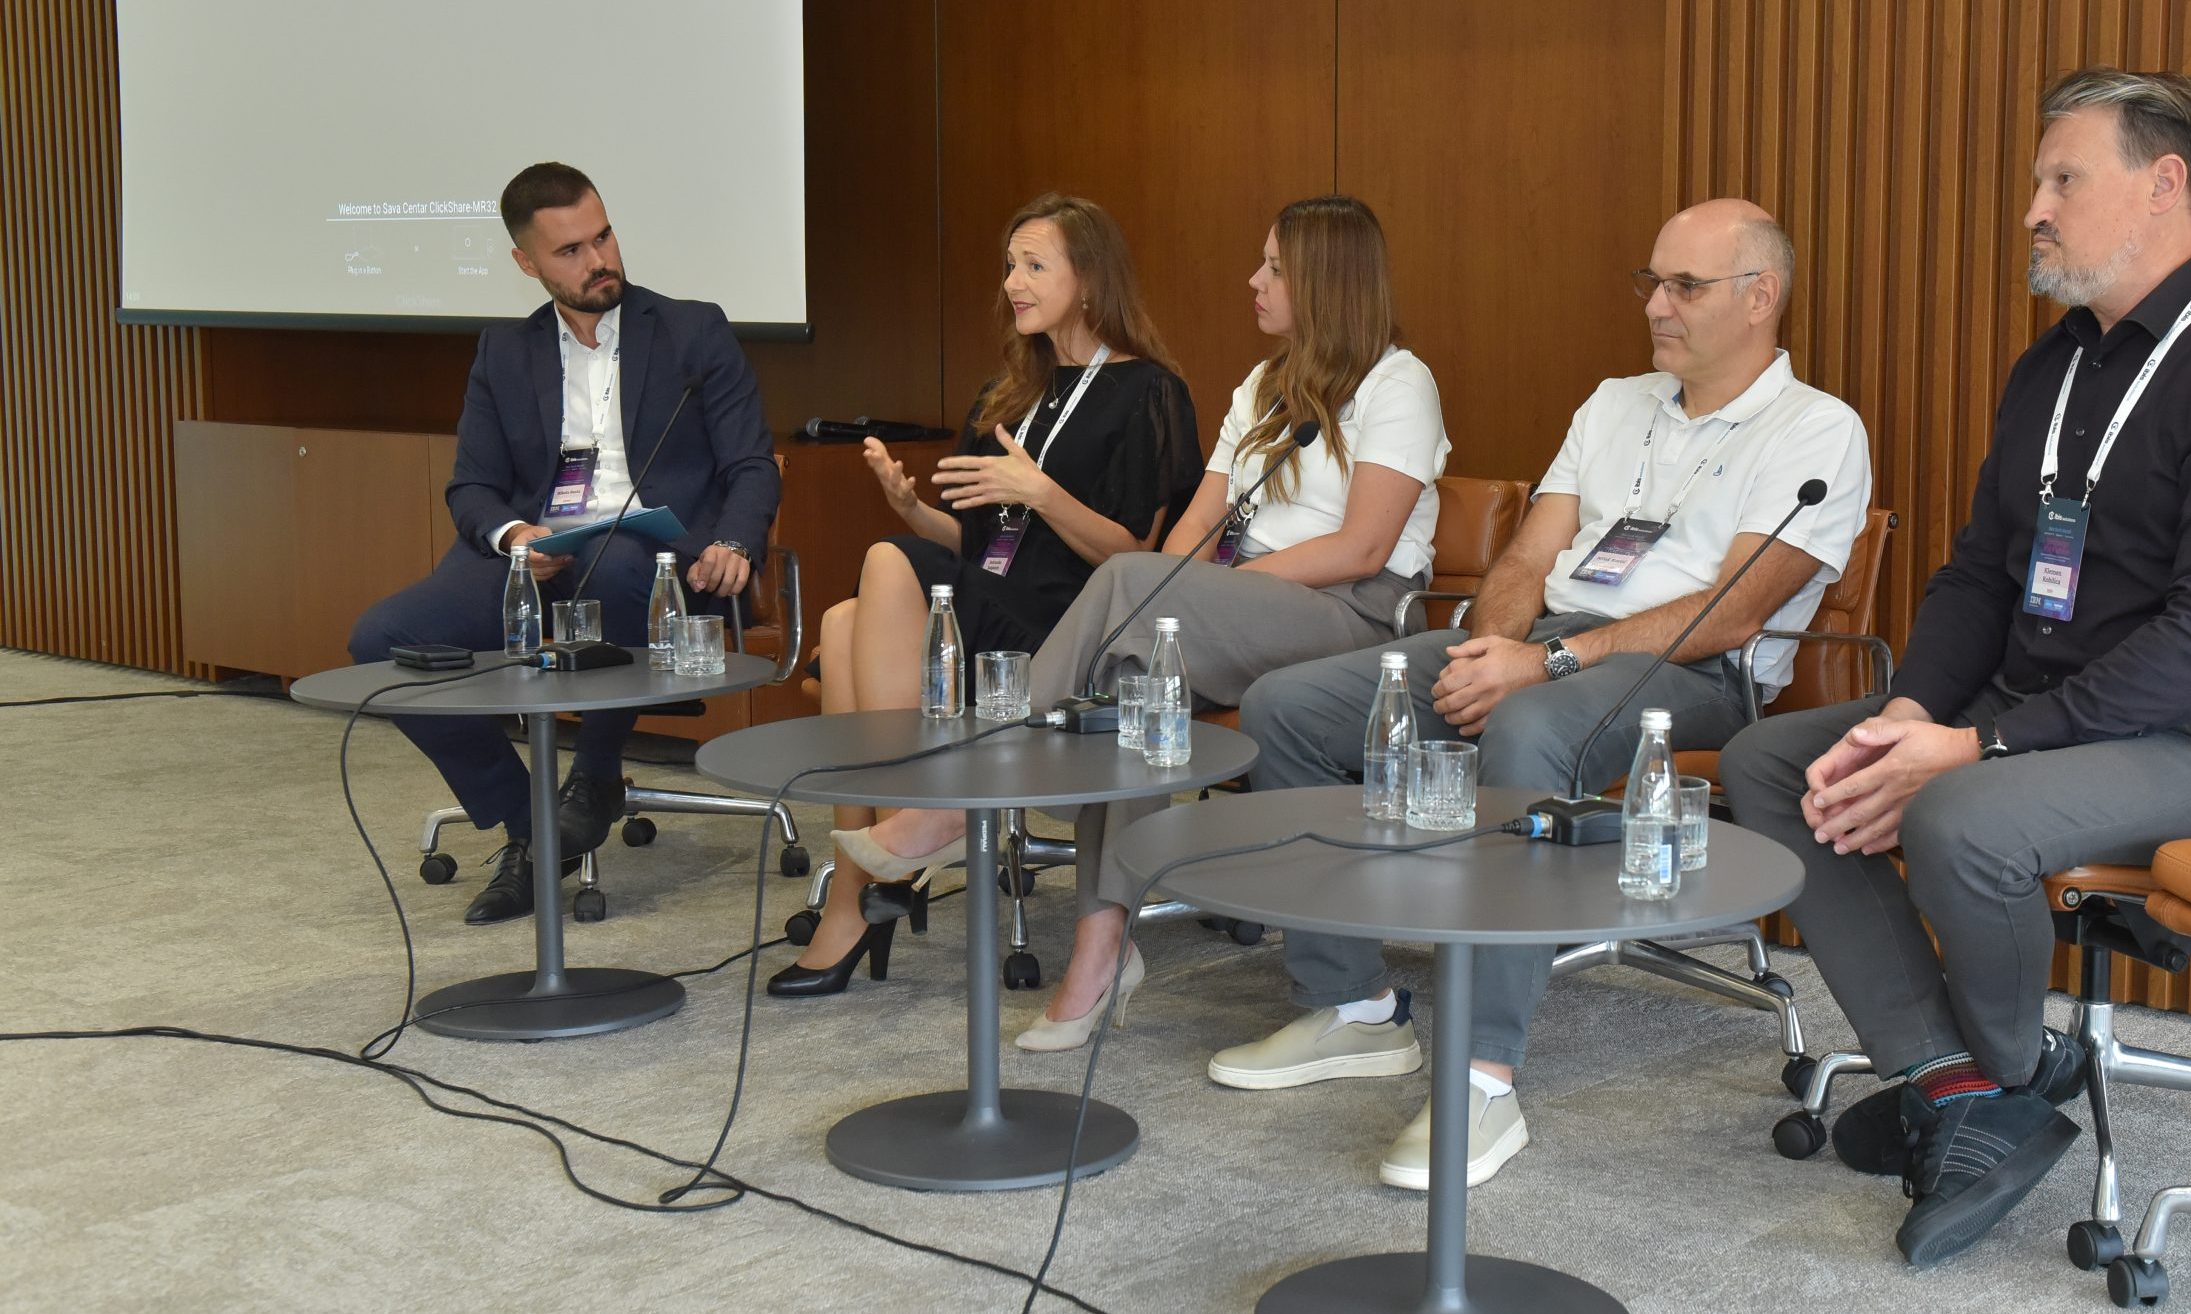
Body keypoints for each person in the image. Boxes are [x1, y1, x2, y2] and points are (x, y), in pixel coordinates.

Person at [1718, 67, 2191, 1268]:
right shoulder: (2056, 364)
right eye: (2037, 182)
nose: (2032, 207)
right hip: (2038, 714)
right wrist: (1908, 715)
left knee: (1962, 815)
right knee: (1777, 761)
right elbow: (1982, 573)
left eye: (2062, 179)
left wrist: (1973, 746)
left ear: (2163, 185)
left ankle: (2003, 1083)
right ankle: (1957, 1081)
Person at [1222, 199, 1874, 1190]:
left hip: (1693, 674)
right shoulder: (1614, 402)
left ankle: (1481, 1080)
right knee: (1288, 707)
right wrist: (1493, 648)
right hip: (1545, 644)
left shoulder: (1816, 429)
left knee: (1525, 728)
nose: (1655, 305)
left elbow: (1731, 613)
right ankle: (1352, 1008)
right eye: (1650, 282)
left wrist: (1544, 667)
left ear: (1760, 297)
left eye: (1684, 286)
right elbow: (1529, 557)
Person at [856, 195, 1450, 1049]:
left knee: (1140, 589)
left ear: (1326, 281)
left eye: (1274, 268)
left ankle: (973, 789)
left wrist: (1198, 591)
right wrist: (1187, 588)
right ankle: (1103, 950)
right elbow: (1195, 531)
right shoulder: (1263, 386)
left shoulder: (1399, 382)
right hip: (1235, 608)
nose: (1254, 281)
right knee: (1138, 688)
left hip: (1349, 615)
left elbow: (1363, 547)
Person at [769, 193, 1201, 996]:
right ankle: (868, 882)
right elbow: (976, 548)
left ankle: (892, 857)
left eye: (1034, 265)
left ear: (1089, 278)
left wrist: (1042, 493)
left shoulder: (1148, 391)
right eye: (1010, 265)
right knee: (846, 613)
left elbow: (1135, 556)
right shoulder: (1006, 392)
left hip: (1069, 632)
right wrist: (911, 511)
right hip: (989, 609)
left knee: (879, 573)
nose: (1012, 283)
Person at [349, 162, 778, 926]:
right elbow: (471, 487)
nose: (599, 260)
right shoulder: (504, 353)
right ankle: (532, 825)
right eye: (571, 251)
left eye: (603, 237)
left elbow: (751, 462)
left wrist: (737, 542)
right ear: (527, 263)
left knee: (615, 568)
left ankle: (594, 777)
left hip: (651, 559)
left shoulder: (691, 330)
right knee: (382, 639)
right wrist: (517, 536)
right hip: (538, 555)